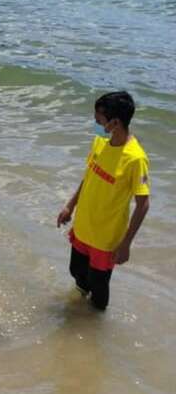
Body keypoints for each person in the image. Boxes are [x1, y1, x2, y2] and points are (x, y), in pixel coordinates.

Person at [56, 91, 150, 310]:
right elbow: (88, 178)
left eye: (99, 119)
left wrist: (126, 243)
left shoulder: (135, 158)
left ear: (115, 123)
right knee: (76, 272)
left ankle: (95, 327)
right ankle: (79, 310)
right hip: (83, 226)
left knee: (99, 287)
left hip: (106, 238)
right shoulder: (99, 143)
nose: (95, 122)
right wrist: (70, 206)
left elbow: (143, 204)